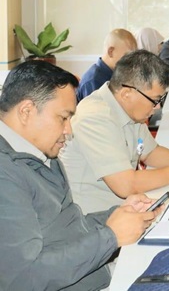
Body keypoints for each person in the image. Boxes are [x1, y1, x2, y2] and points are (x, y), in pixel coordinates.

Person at [0, 61, 157, 291]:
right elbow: (22, 279)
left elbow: (70, 227)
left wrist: (116, 215)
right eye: (63, 118)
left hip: (99, 274)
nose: (69, 131)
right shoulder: (6, 175)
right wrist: (111, 236)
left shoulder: (42, 153)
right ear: (26, 111)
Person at [61, 50, 169, 213]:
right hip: (94, 219)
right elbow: (126, 185)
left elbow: (150, 153)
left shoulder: (129, 107)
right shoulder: (94, 118)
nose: (157, 107)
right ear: (127, 93)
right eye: (155, 100)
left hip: (125, 207)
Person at [76, 28, 137, 103]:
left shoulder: (116, 73)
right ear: (111, 52)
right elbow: (97, 113)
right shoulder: (94, 80)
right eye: (127, 56)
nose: (131, 62)